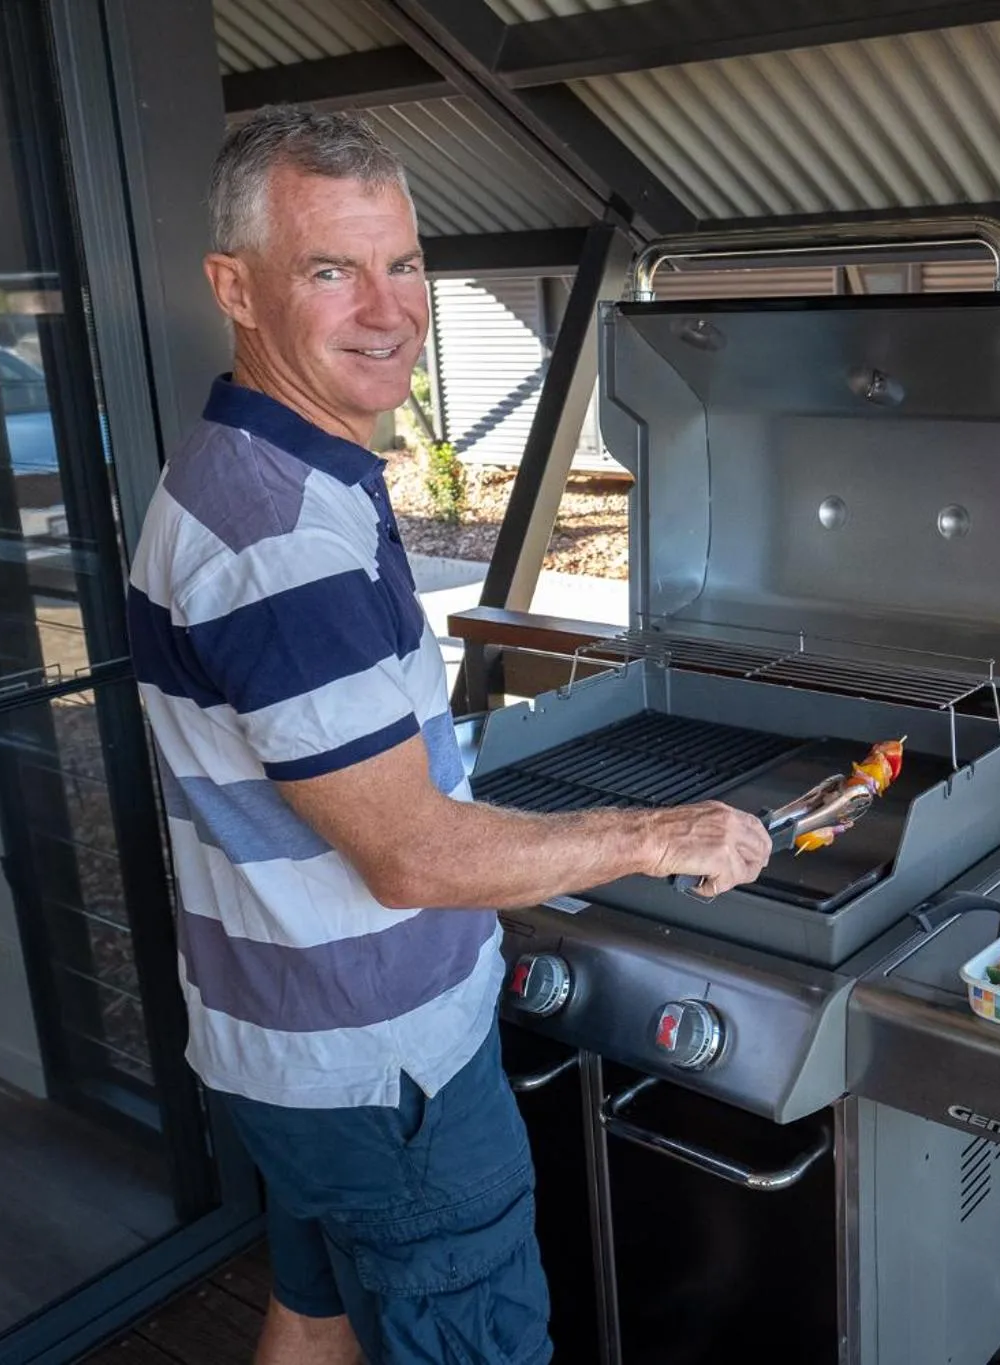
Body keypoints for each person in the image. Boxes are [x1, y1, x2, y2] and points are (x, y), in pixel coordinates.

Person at [126, 104, 773, 1365]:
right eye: (330, 270)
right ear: (235, 288)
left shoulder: (255, 470)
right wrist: (656, 832)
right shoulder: (281, 543)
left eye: (404, 262)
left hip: (288, 1050)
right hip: (386, 1076)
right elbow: (411, 857)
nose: (387, 308)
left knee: (315, 1314)